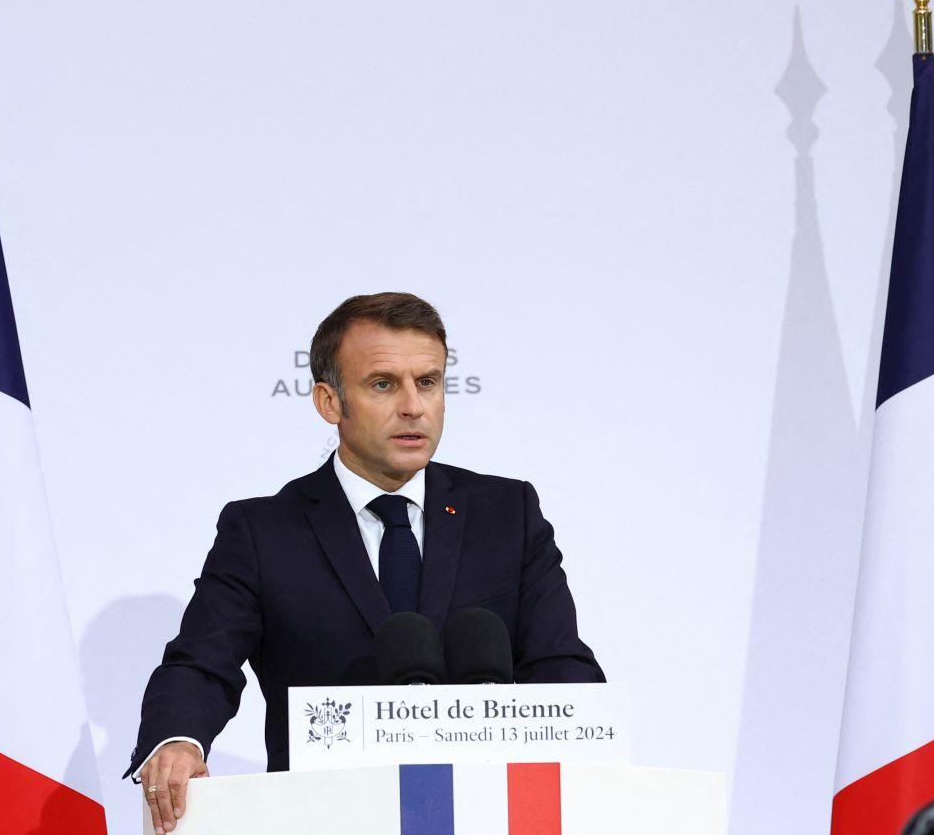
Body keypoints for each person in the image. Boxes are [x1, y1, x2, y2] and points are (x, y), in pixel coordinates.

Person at [130, 292, 602, 833]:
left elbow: (561, 665)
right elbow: (201, 664)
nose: (413, 406)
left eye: (427, 382)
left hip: (487, 813)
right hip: (322, 816)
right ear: (330, 402)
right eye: (383, 384)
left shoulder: (507, 513)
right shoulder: (263, 531)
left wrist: (594, 744)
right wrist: (178, 739)